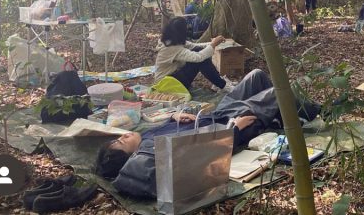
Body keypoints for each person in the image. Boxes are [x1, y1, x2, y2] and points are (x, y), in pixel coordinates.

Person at [95, 69, 322, 198]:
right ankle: (319, 111)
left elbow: (172, 124)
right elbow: (202, 153)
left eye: (118, 137)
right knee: (278, 92)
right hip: (230, 124)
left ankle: (280, 116)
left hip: (217, 114)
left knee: (256, 76)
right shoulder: (154, 152)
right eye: (122, 143)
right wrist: (234, 130)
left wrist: (175, 116)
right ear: (131, 156)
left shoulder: (145, 136)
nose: (123, 136)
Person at [154, 17, 234, 93]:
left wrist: (214, 43)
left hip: (171, 78)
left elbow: (195, 46)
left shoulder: (171, 40)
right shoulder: (171, 48)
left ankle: (219, 83)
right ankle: (222, 85)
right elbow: (198, 57)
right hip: (167, 84)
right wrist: (213, 44)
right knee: (200, 58)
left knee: (198, 50)